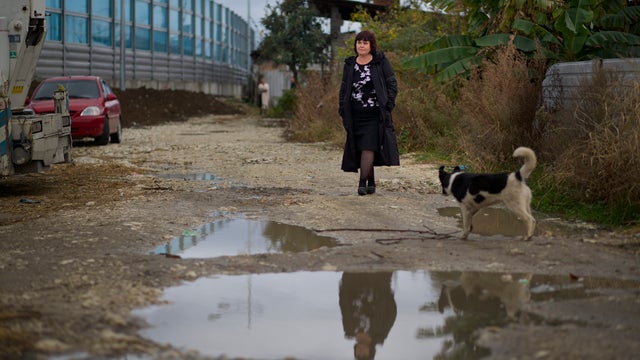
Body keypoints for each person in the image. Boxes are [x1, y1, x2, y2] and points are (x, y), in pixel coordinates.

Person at [339, 30, 399, 196]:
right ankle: (371, 181)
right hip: (355, 114)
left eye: (365, 42)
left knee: (368, 147)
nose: (361, 45)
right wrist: (342, 109)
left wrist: (388, 105)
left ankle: (362, 182)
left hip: (374, 114)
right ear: (355, 45)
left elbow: (392, 84)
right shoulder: (350, 64)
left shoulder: (380, 62)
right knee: (360, 148)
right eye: (359, 42)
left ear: (371, 45)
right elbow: (344, 88)